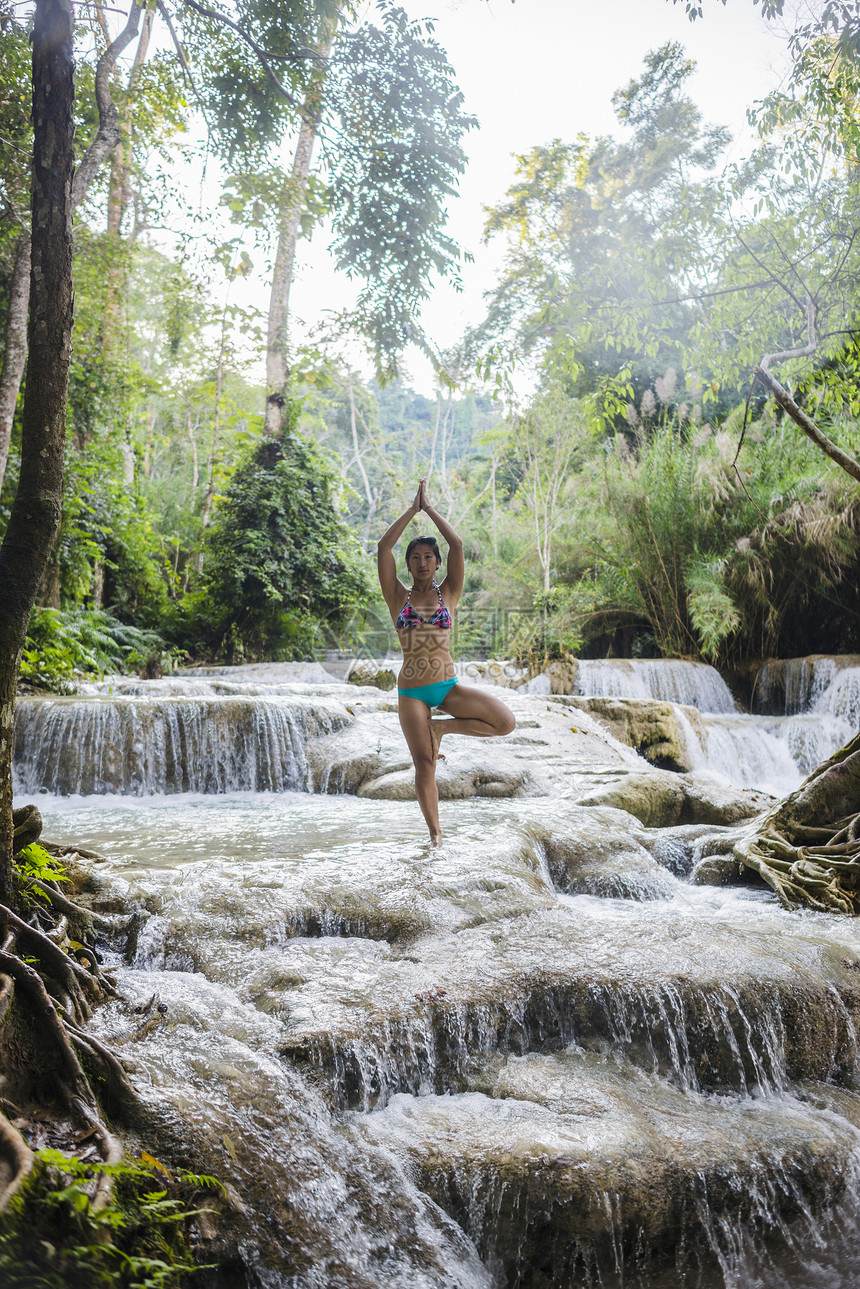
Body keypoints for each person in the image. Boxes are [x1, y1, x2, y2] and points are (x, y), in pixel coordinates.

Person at [377, 479, 516, 845]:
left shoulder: (450, 593)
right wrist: (411, 510)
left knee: (505, 722)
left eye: (428, 557)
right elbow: (383, 546)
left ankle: (441, 728)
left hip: (447, 686)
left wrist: (430, 509)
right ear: (407, 563)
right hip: (411, 691)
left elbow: (456, 543)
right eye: (415, 557)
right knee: (425, 764)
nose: (422, 562)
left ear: (437, 563)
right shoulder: (396, 596)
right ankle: (436, 834)